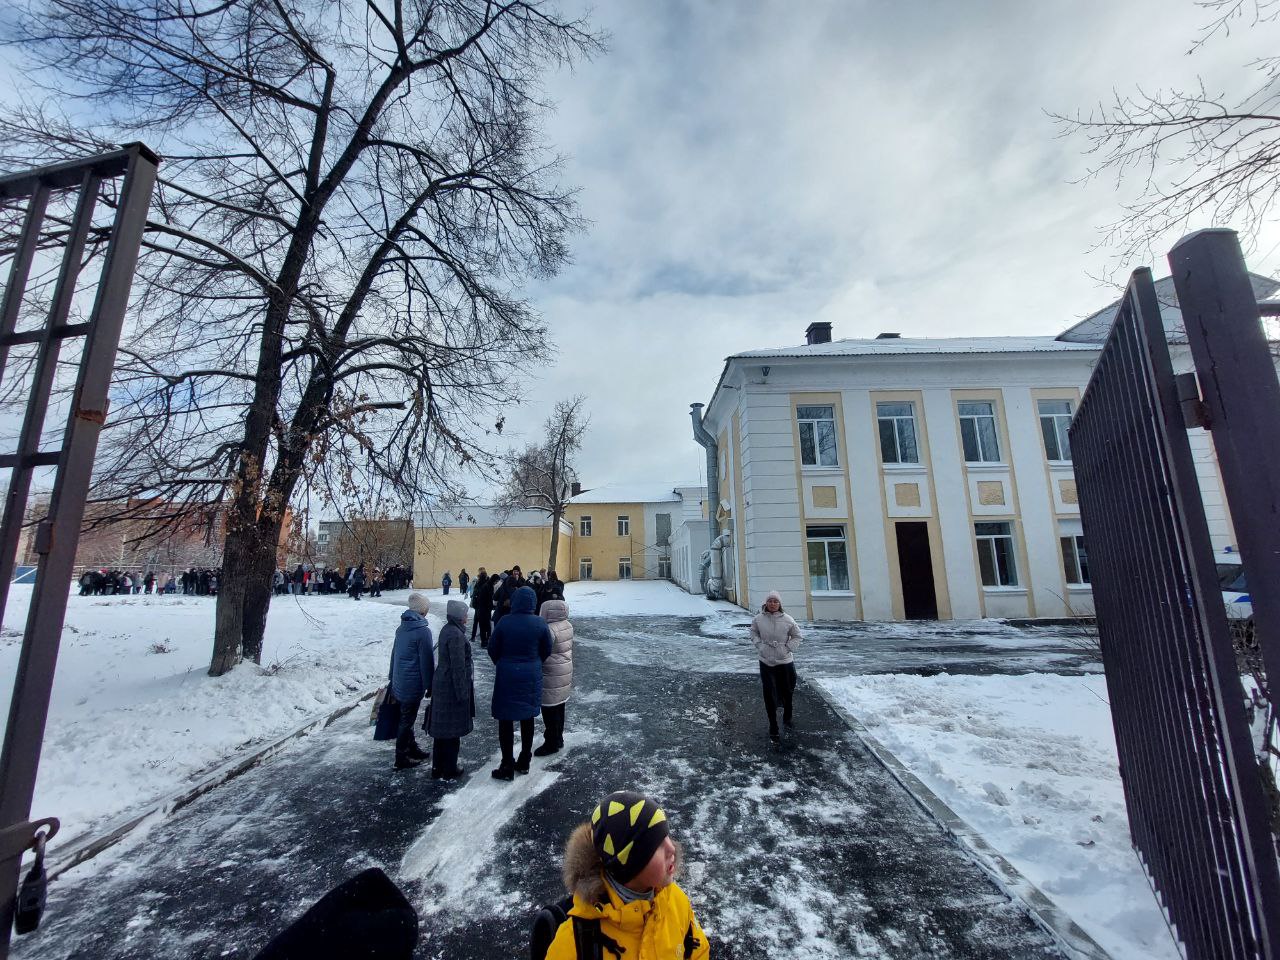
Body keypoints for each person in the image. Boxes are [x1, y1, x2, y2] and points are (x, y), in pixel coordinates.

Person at [542, 790, 709, 960]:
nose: (672, 848)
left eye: (667, 835)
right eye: (657, 844)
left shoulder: (675, 901)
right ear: (630, 864)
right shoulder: (575, 945)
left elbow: (698, 952)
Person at [488, 585, 552, 780]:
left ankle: (507, 764)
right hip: (531, 675)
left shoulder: (504, 622)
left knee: (505, 720)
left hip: (507, 675)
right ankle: (524, 760)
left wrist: (502, 662)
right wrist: (535, 662)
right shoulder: (540, 623)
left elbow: (493, 648)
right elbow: (547, 648)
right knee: (527, 718)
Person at [428, 599, 474, 780]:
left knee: (441, 732)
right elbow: (458, 666)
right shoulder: (456, 635)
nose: (467, 618)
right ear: (459, 617)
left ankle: (437, 767)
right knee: (452, 730)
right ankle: (449, 768)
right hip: (451, 686)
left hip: (443, 682)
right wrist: (462, 692)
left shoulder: (448, 630)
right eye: (465, 615)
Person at [750, 590, 803, 740]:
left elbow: (797, 636)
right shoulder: (758, 619)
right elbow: (753, 633)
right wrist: (759, 645)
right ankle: (773, 723)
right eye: (770, 601)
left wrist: (787, 649)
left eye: (775, 601)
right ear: (765, 603)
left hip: (784, 661)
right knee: (768, 693)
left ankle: (788, 714)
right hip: (766, 660)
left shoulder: (788, 619)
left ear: (779, 604)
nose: (772, 604)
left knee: (787, 690)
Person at [390, 593, 434, 770]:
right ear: (423, 609)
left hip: (400, 680)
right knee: (407, 720)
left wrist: (391, 676)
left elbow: (394, 654)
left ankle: (412, 747)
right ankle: (400, 757)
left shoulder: (402, 628)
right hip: (412, 682)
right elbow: (426, 661)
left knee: (406, 717)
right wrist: (429, 684)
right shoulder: (423, 631)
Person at [535, 599, 573, 756]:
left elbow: (542, 651)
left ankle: (551, 742)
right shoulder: (568, 625)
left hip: (551, 673)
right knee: (560, 706)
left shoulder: (549, 629)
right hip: (564, 671)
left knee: (549, 708)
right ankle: (559, 737)